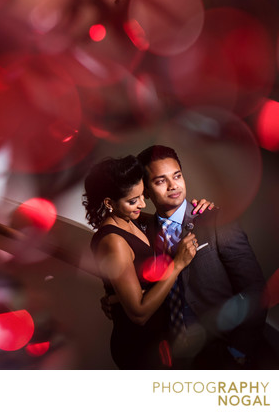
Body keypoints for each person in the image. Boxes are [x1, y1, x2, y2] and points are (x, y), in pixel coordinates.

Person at [134, 145, 268, 368]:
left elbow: (255, 290)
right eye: (160, 181)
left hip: (224, 351)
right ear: (146, 191)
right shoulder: (143, 233)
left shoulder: (215, 220)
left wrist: (238, 350)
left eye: (177, 176)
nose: (173, 186)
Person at [84, 155, 198, 369]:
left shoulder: (132, 220)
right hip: (140, 347)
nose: (143, 204)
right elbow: (139, 313)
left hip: (160, 339)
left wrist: (200, 207)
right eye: (133, 200)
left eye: (142, 195)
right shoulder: (113, 242)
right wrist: (178, 264)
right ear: (109, 203)